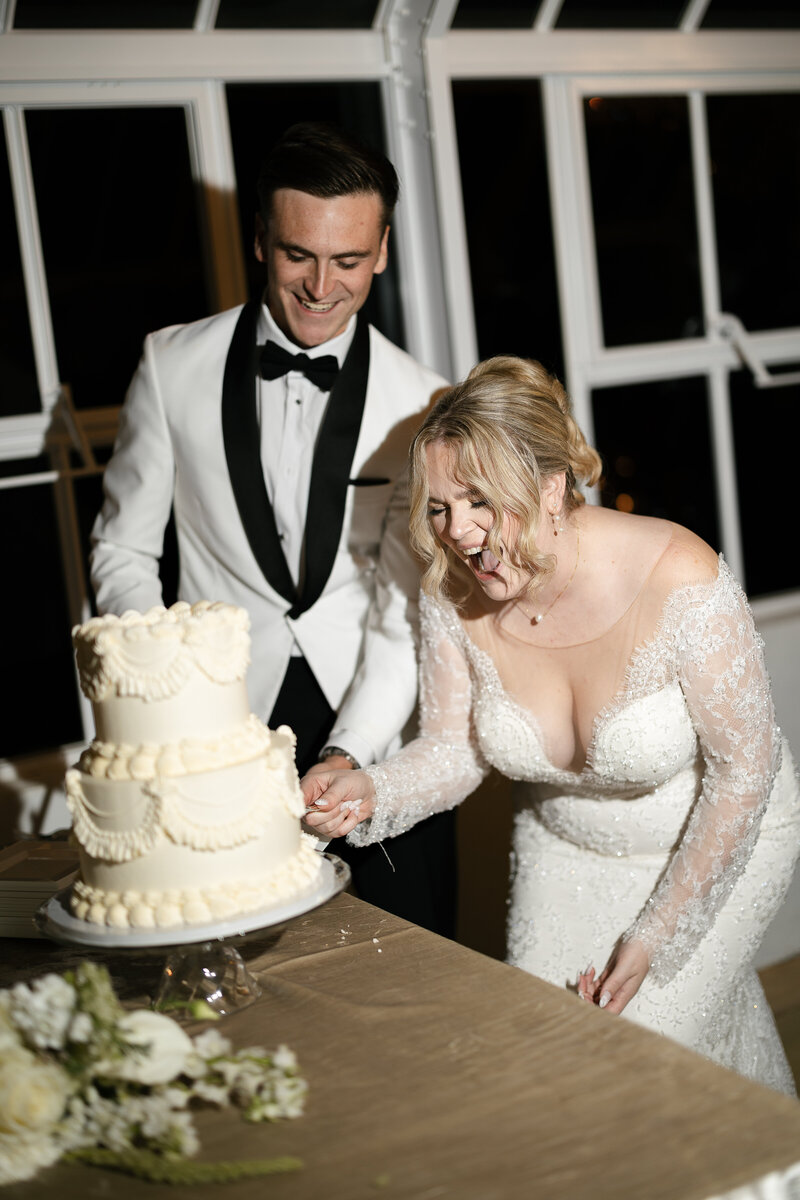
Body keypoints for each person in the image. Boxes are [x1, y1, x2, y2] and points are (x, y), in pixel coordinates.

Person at [303, 354, 800, 1094]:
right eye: (438, 507)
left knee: (641, 1065)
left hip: (720, 835)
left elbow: (745, 773)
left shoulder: (679, 575)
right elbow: (454, 750)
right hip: (562, 850)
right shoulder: (453, 593)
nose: (457, 533)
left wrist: (656, 937)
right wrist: (368, 790)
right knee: (544, 1070)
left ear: (550, 486)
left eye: (479, 502)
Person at [90, 121, 457, 937]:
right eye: (299, 255)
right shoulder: (169, 365)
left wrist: (350, 752)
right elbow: (123, 548)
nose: (323, 286)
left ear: (384, 251)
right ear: (260, 241)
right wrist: (175, 692)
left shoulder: (424, 403)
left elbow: (404, 610)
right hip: (215, 727)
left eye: (349, 260)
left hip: (375, 721)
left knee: (414, 965)